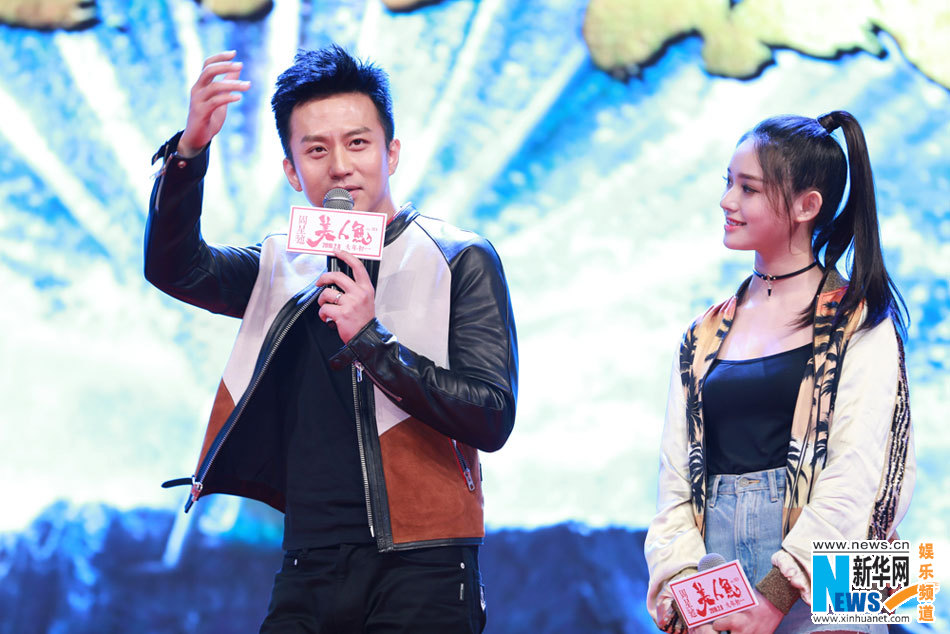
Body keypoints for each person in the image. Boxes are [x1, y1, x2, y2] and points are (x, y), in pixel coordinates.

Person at [145, 45, 517, 633]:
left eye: (358, 143)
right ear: (293, 171)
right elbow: (176, 268)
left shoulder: (458, 257)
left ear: (391, 152)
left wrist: (372, 340)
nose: (340, 166)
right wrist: (189, 154)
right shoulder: (282, 265)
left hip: (425, 564)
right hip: (308, 564)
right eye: (316, 150)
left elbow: (492, 415)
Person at [644, 111, 915, 634]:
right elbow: (674, 485)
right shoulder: (701, 333)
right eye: (728, 182)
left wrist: (774, 596)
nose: (727, 201)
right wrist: (689, 595)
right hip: (720, 573)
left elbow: (862, 477)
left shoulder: (863, 319)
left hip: (839, 573)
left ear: (806, 206)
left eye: (747, 188)